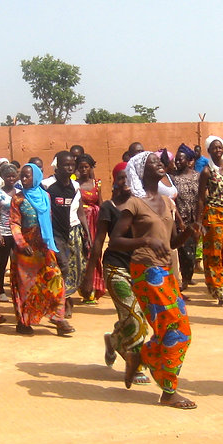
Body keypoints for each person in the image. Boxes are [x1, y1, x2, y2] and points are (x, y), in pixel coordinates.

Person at [109, 151, 200, 409]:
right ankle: (168, 390)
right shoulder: (134, 204)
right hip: (146, 271)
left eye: (160, 161)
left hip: (166, 272)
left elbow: (169, 242)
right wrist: (145, 240)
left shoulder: (167, 202)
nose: (160, 163)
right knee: (179, 331)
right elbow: (115, 241)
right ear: (141, 170)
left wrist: (187, 236)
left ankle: (140, 355)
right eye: (153, 162)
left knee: (171, 328)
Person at [82, 162, 150, 384]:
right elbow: (99, 241)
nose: (126, 183)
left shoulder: (141, 205)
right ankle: (135, 363)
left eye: (128, 178)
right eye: (121, 178)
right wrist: (89, 275)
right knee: (135, 318)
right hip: (116, 268)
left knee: (134, 317)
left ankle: (112, 341)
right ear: (115, 181)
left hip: (140, 269)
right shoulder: (108, 208)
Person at [9, 164, 73, 336]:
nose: (23, 179)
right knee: (26, 286)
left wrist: (54, 243)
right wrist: (22, 244)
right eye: (22, 176)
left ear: (36, 177)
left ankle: (58, 318)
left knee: (55, 280)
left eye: (27, 176)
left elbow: (50, 222)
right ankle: (24, 322)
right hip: (26, 251)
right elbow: (14, 223)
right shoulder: (17, 199)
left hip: (45, 248)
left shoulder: (45, 196)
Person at [45, 151, 90, 317]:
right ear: (58, 166)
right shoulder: (48, 185)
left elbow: (80, 212)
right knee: (62, 268)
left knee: (76, 268)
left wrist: (87, 234)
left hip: (73, 231)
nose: (70, 167)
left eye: (72, 164)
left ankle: (66, 299)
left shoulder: (75, 186)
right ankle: (64, 303)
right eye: (66, 164)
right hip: (55, 234)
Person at [196, 135, 223, 306]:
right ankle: (222, 291)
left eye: (220, 147)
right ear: (209, 151)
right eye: (214, 148)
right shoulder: (206, 171)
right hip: (212, 215)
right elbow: (200, 198)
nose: (218, 150)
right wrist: (198, 222)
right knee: (214, 255)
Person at [76, 153, 105, 303]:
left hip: (95, 222)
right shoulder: (75, 185)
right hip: (82, 223)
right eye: (80, 167)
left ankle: (95, 288)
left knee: (95, 253)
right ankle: (85, 289)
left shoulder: (96, 183)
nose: (83, 170)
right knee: (83, 254)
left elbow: (100, 202)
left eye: (86, 167)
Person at [173, 144, 200, 291]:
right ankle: (183, 280)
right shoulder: (173, 178)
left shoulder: (197, 176)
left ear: (188, 160)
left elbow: (202, 197)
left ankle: (188, 277)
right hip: (180, 219)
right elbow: (173, 201)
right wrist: (180, 221)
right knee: (183, 250)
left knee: (193, 250)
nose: (177, 162)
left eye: (180, 159)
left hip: (194, 218)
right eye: (176, 160)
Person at [0, 162, 18, 302]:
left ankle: (16, 289)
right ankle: (0, 289)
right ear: (3, 177)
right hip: (4, 231)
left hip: (17, 232)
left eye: (13, 176)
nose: (11, 179)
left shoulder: (19, 192)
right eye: (8, 176)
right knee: (2, 262)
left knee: (18, 262)